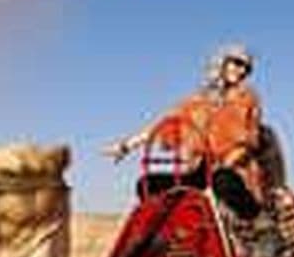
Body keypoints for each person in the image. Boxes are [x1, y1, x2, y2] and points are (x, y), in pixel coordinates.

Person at [104, 44, 265, 217]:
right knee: (147, 184)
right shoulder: (197, 101)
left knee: (222, 181)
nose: (242, 71)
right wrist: (126, 146)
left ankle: (255, 219)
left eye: (247, 68)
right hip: (198, 171)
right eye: (238, 63)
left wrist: (222, 166)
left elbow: (247, 142)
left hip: (233, 170)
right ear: (223, 62)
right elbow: (164, 124)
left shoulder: (247, 98)